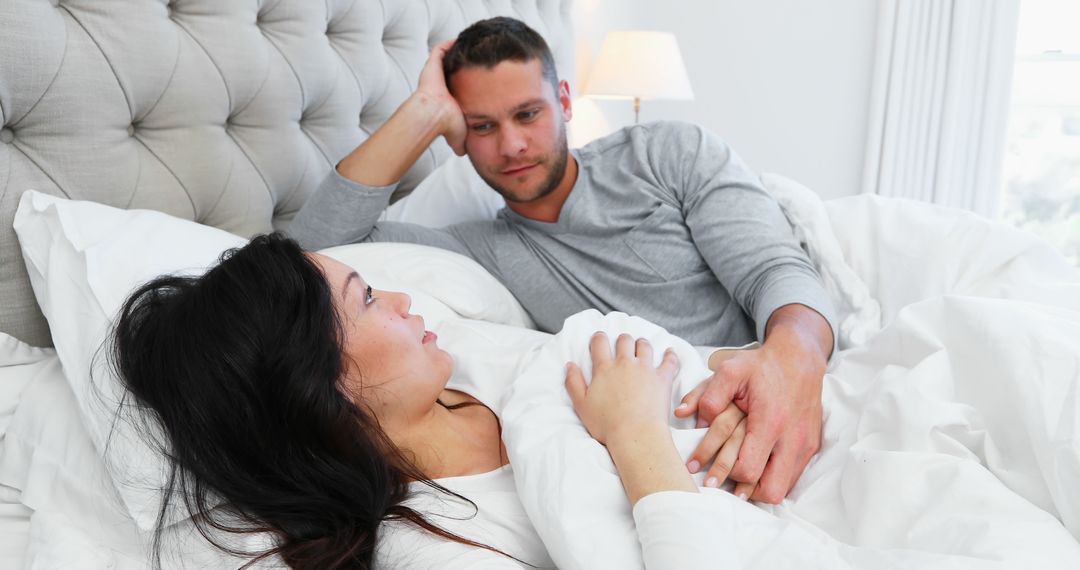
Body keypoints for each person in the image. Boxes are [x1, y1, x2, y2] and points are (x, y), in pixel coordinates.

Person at [287, 17, 836, 503]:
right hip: (674, 429)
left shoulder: (666, 154)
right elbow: (310, 256)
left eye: (528, 114)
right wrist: (423, 112)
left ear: (566, 102)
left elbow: (774, 272)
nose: (512, 145)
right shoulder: (479, 250)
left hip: (779, 374)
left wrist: (792, 358)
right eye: (482, 126)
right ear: (459, 138)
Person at [110, 233, 740, 569]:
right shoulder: (438, 547)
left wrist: (738, 383)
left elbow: (656, 363)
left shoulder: (463, 358)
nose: (407, 303)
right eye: (370, 299)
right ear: (317, 382)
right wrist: (635, 433)